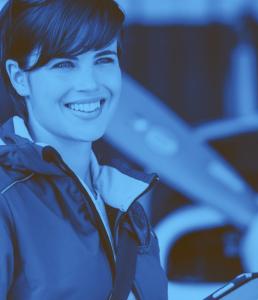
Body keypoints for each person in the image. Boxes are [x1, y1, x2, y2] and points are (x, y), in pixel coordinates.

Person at [0, 0, 168, 299]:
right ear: (19, 78)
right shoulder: (6, 199)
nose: (89, 84)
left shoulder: (125, 202)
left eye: (104, 59)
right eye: (64, 64)